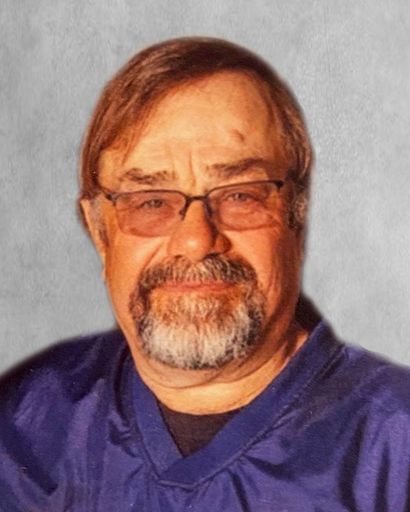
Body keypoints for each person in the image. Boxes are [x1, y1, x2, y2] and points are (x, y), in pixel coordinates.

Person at [0, 37, 409, 512]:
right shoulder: (27, 427)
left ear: (296, 216)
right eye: (151, 201)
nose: (195, 241)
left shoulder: (393, 448)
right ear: (99, 229)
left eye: (240, 195)